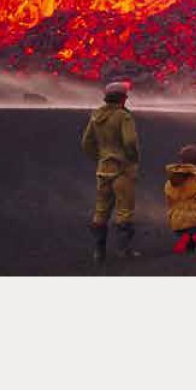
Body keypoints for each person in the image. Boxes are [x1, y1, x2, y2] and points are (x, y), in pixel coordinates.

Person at [81, 79, 141, 263]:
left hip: (103, 168)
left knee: (101, 210)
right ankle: (124, 251)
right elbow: (130, 142)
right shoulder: (124, 117)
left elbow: (86, 143)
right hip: (122, 169)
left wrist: (99, 158)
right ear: (123, 98)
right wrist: (132, 158)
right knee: (124, 210)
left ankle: (99, 253)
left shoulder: (96, 116)